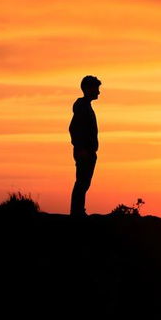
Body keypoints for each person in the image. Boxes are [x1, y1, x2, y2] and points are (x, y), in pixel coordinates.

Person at [69, 75, 101, 217]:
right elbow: (74, 128)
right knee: (82, 182)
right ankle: (77, 212)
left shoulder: (85, 107)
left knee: (84, 182)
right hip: (84, 151)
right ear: (88, 89)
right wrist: (81, 148)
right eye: (96, 89)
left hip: (88, 151)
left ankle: (78, 211)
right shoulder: (82, 107)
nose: (98, 92)